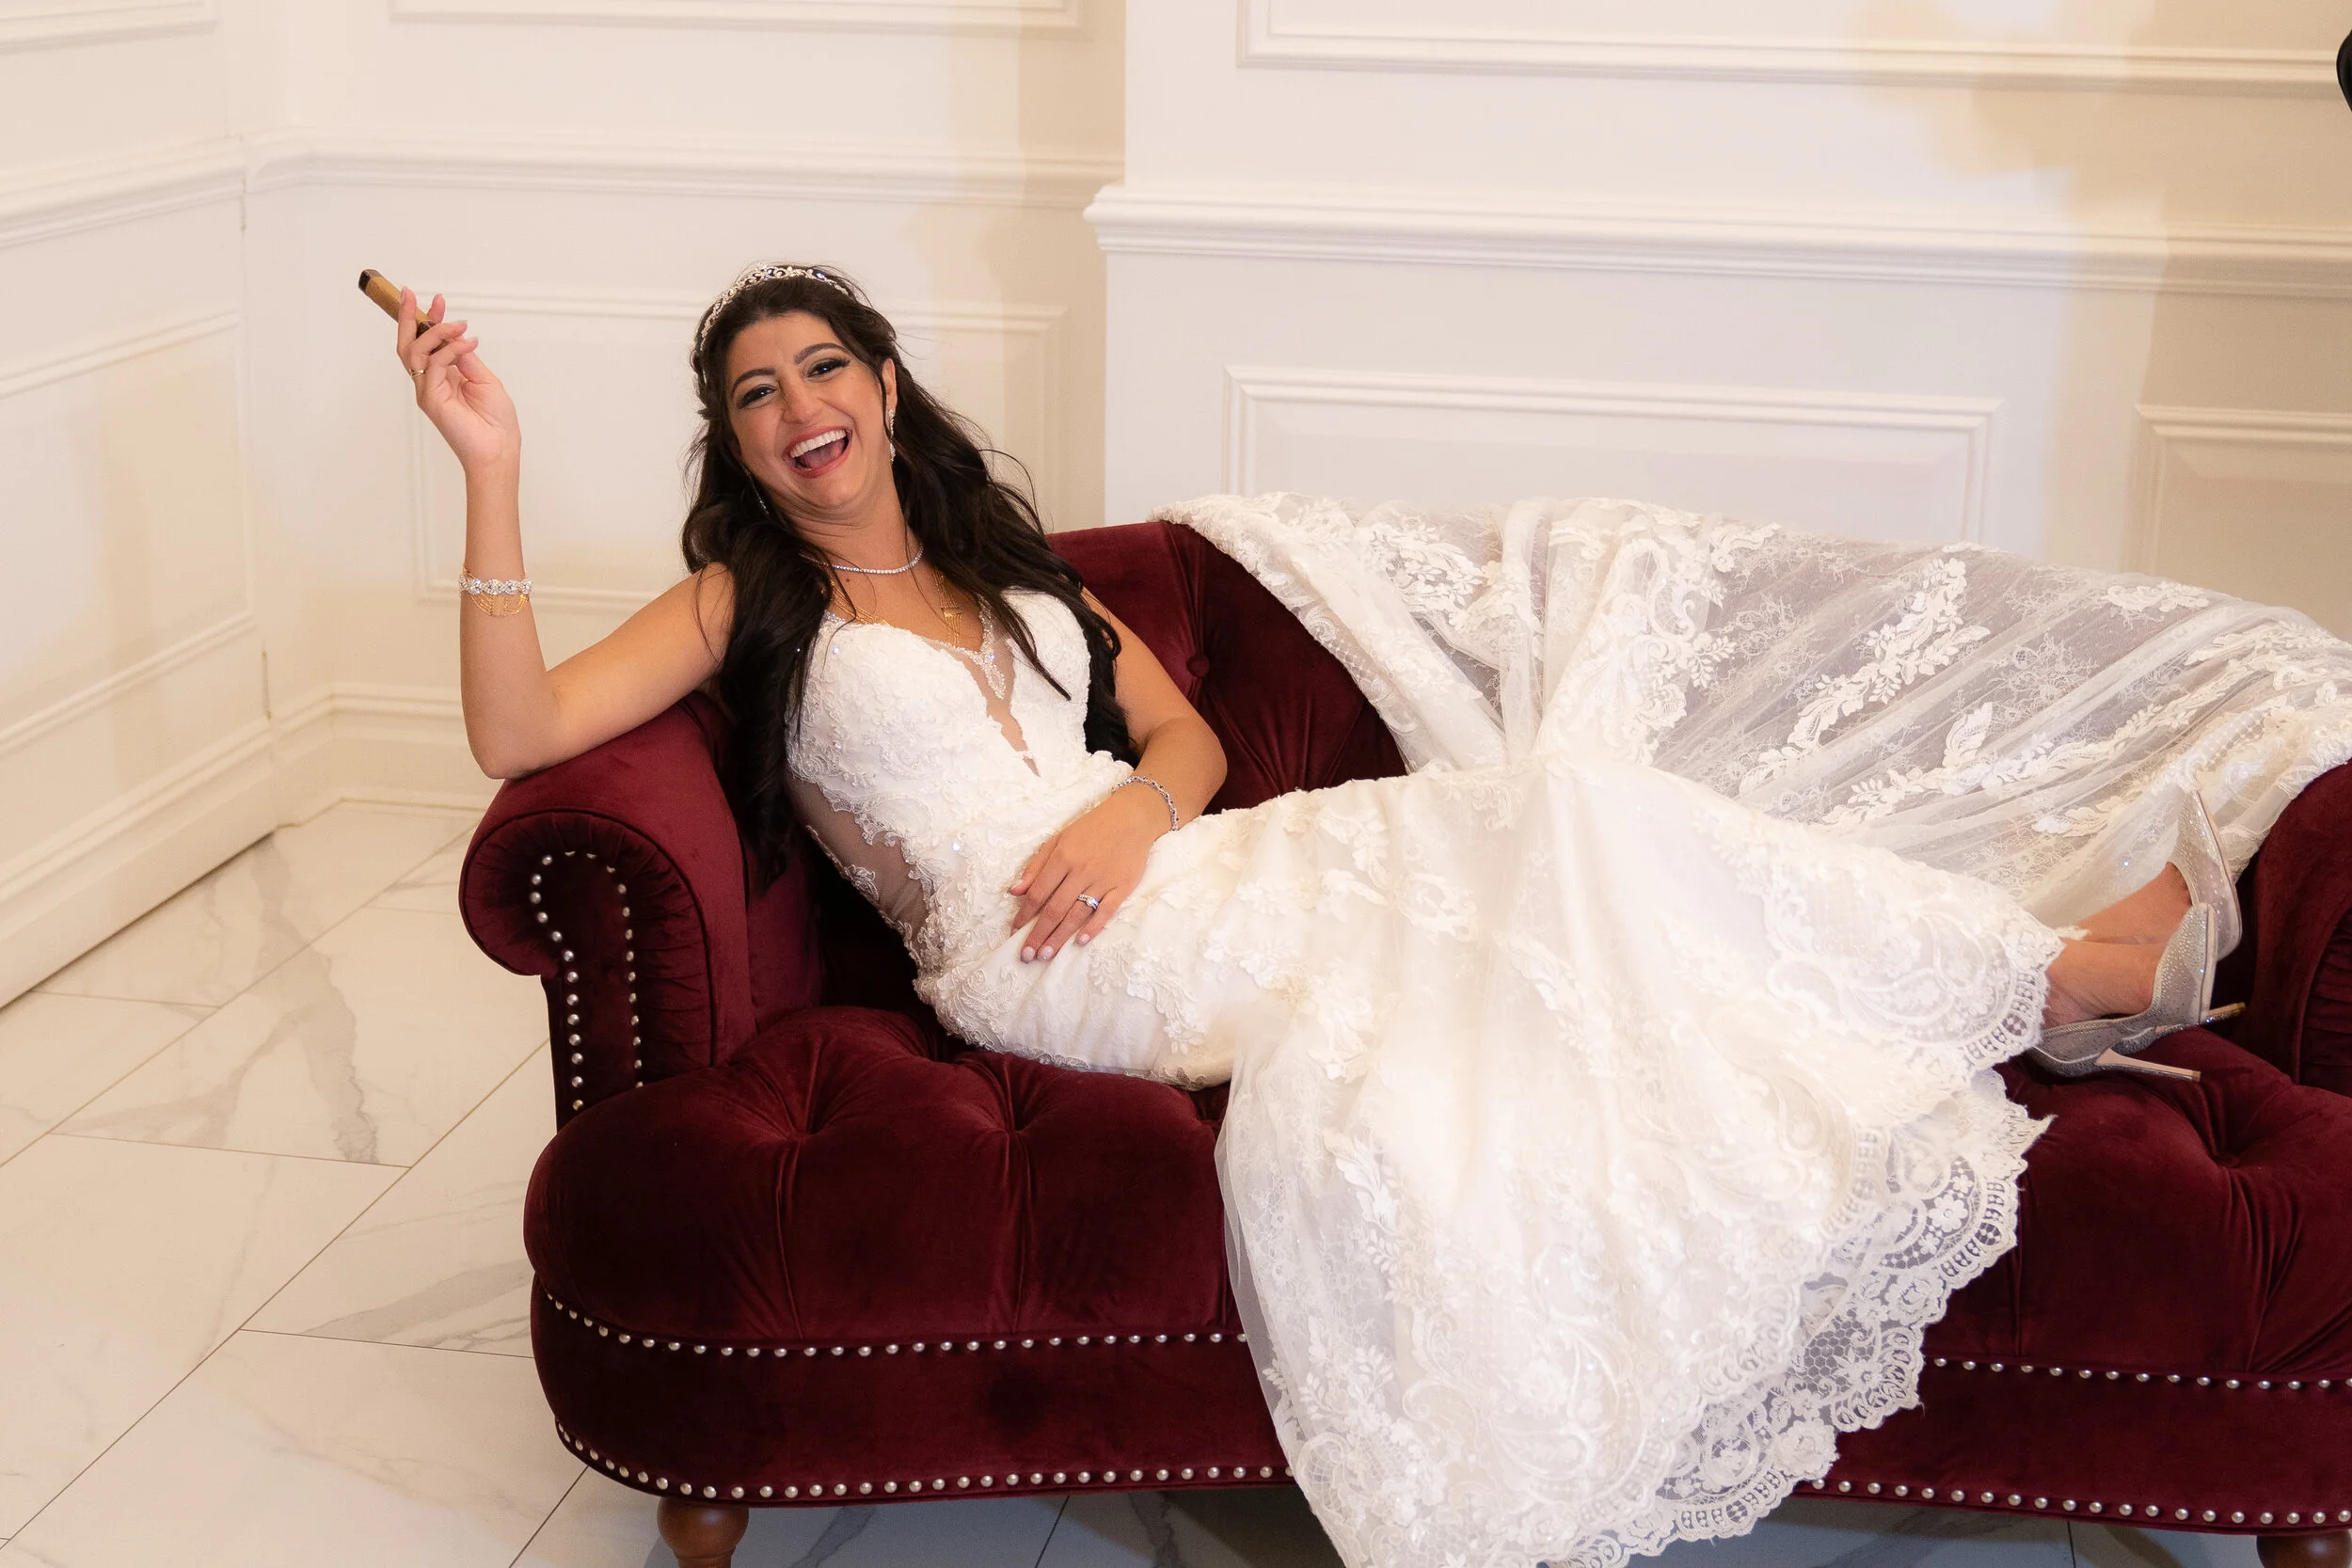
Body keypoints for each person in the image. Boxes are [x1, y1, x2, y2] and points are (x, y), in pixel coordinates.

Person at [397, 263, 2352, 1568]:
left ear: (885, 386)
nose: (798, 405)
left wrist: (1134, 810)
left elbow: (1176, 736)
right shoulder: (749, 604)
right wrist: (488, 464)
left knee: (1571, 827)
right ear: (738, 446)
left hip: (1172, 876)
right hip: (1048, 965)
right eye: (755, 393)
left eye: (823, 367)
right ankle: (2059, 971)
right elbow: (518, 726)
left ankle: (2047, 968)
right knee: (1550, 834)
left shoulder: (1005, 570)